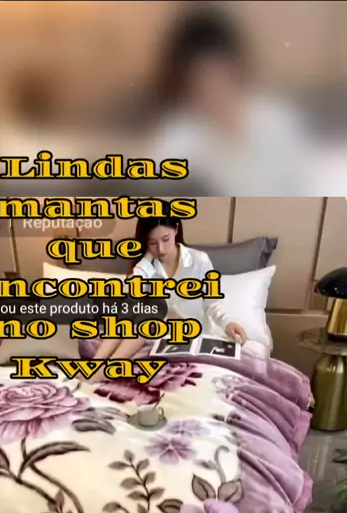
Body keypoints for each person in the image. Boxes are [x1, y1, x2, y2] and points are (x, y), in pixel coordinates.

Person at [151, 7, 311, 195]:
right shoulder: (179, 137)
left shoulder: (275, 123)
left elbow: (302, 192)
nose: (212, 89)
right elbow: (158, 195)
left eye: (218, 74)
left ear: (236, 69)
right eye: (200, 79)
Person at [92, 216, 247, 369]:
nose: (160, 249)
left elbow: (211, 303)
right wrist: (145, 263)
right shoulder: (146, 268)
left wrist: (228, 323)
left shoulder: (199, 261)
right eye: (152, 242)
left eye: (165, 239)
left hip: (195, 342)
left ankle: (103, 370)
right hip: (158, 343)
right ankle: (96, 366)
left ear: (176, 229)